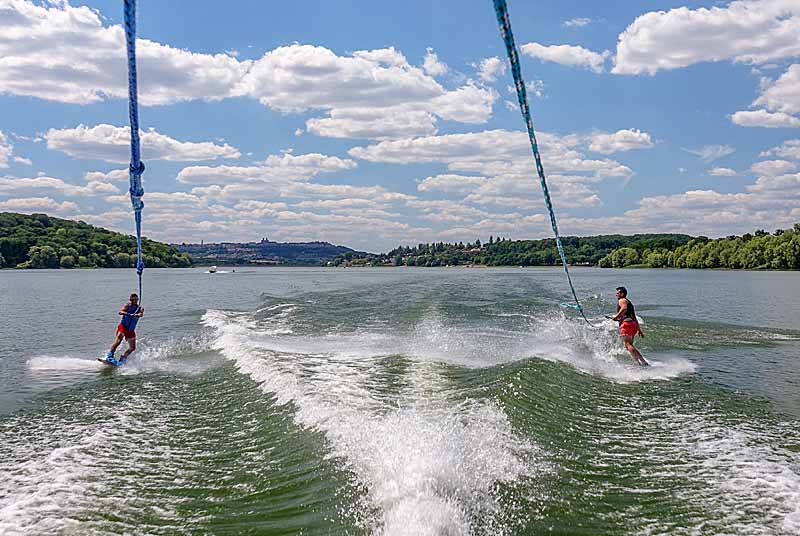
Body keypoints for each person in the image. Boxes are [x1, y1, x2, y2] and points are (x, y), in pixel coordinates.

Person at [610, 286, 648, 366]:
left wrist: (616, 317)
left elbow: (624, 309)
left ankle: (643, 362)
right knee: (630, 345)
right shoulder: (629, 302)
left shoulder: (622, 300)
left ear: (622, 294)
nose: (616, 295)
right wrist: (639, 330)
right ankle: (639, 362)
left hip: (627, 324)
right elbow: (634, 317)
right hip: (633, 324)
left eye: (618, 293)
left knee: (628, 345)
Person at [105, 293, 144, 365]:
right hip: (123, 326)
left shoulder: (140, 308)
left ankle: (123, 358)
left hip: (131, 330)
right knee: (119, 339)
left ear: (138, 300)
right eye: (133, 300)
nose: (134, 301)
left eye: (136, 300)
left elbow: (141, 314)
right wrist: (128, 314)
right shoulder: (127, 306)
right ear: (130, 300)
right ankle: (109, 356)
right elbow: (120, 312)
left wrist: (137, 315)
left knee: (132, 348)